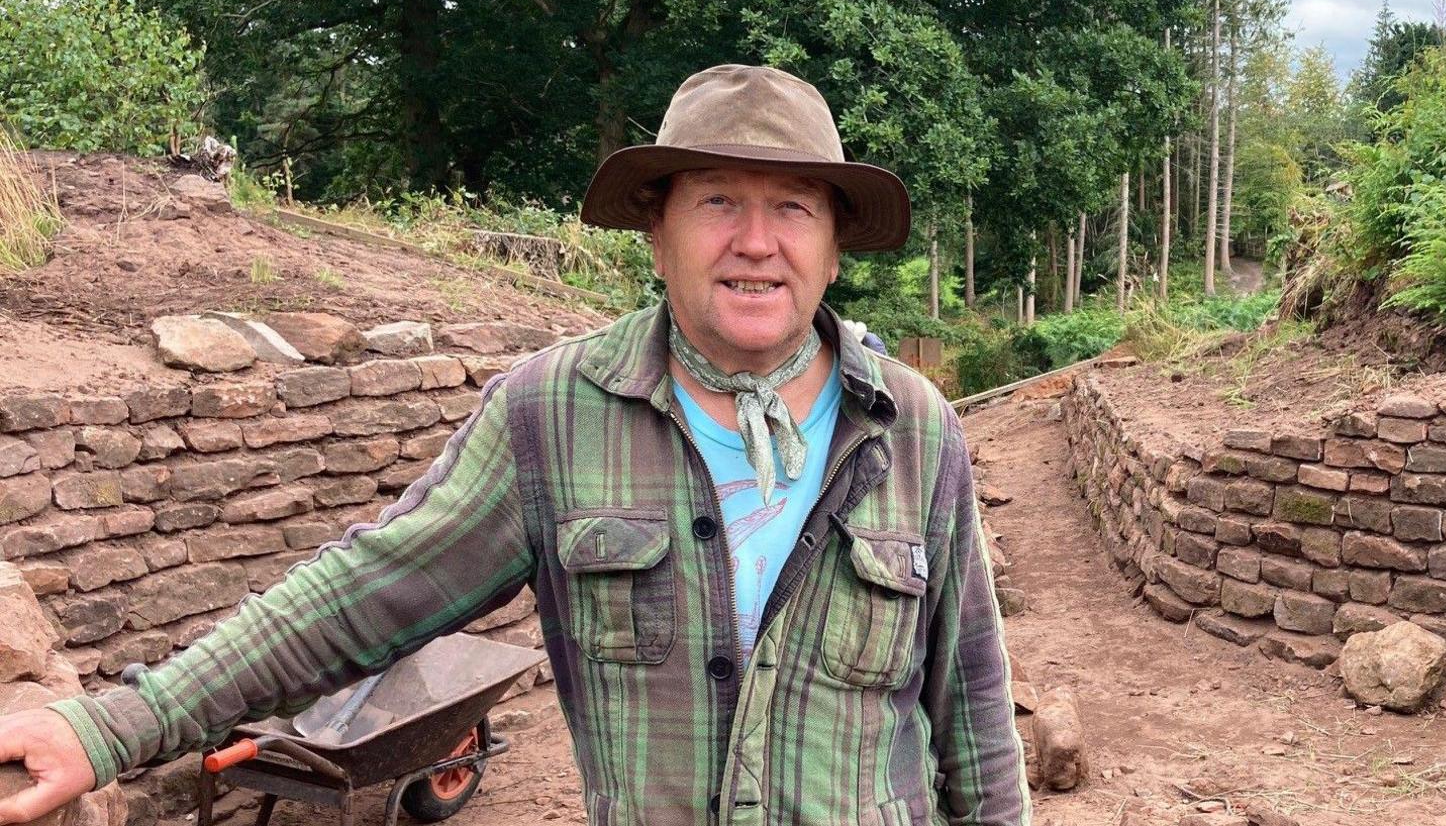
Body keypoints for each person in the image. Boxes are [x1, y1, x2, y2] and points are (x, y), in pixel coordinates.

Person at [0, 64, 1027, 825]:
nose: (756, 241)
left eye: (792, 207)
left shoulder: (912, 426)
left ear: (833, 243)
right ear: (656, 231)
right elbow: (359, 594)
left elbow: (973, 713)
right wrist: (109, 729)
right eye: (717, 201)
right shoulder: (553, 416)